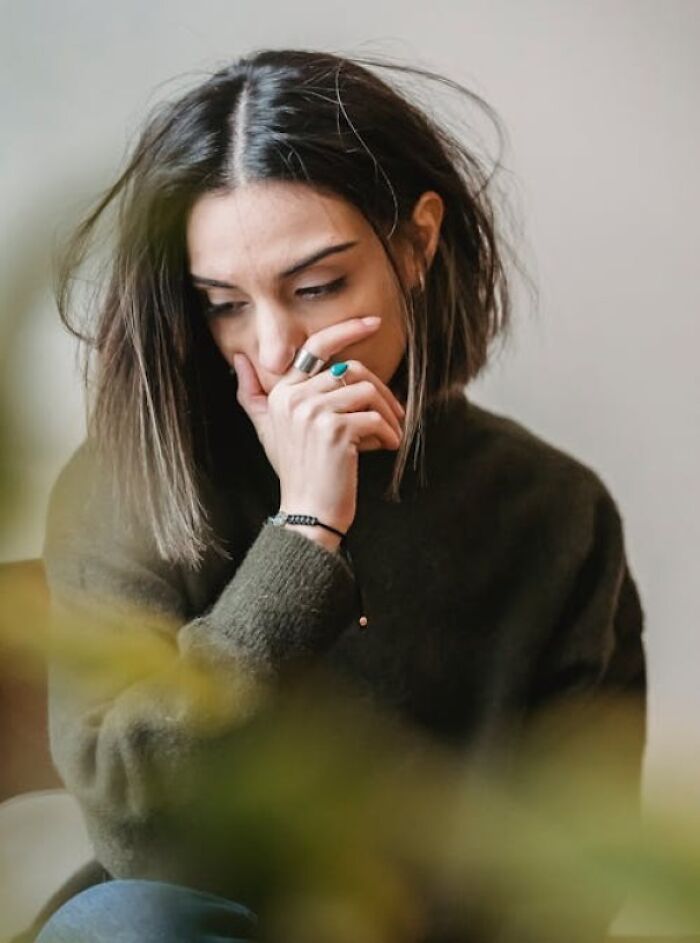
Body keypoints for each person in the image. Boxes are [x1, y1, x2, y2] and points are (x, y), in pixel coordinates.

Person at [30, 47, 646, 943]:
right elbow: (146, 839)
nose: (273, 350)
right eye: (222, 303)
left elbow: (582, 876)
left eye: (316, 286)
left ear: (417, 243)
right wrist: (305, 534)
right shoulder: (133, 479)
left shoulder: (554, 513)